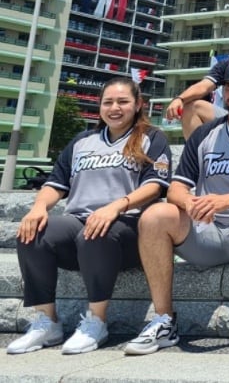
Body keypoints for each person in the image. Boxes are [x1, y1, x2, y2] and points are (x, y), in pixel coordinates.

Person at [126, 62, 229, 357]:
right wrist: (190, 203)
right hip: (207, 232)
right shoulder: (206, 133)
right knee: (155, 215)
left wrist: (225, 200)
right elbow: (177, 187)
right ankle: (164, 320)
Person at [8, 78, 171, 355]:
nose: (114, 108)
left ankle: (96, 321)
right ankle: (47, 322)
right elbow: (55, 184)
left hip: (127, 227)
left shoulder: (151, 138)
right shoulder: (83, 141)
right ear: (100, 106)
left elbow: (155, 186)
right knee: (32, 232)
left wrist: (116, 206)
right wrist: (38, 209)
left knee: (94, 232)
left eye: (123, 102)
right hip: (79, 221)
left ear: (138, 104)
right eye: (108, 102)